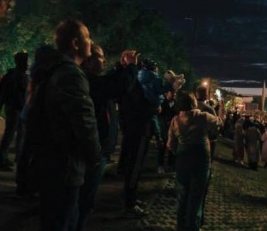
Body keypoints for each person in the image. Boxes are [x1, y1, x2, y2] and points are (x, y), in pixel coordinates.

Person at [23, 19, 101, 230]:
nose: (91, 42)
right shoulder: (71, 75)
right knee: (63, 220)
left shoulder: (52, 69)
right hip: (65, 166)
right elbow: (84, 122)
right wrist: (95, 156)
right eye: (87, 37)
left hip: (49, 162)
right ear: (76, 43)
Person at [77, 45, 138, 231]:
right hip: (94, 150)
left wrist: (120, 68)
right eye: (101, 57)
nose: (104, 61)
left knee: (83, 201)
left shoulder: (91, 80)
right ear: (89, 60)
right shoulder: (89, 81)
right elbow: (119, 87)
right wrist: (131, 67)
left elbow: (110, 82)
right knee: (83, 202)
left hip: (97, 148)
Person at [167, 92, 222, 231]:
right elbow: (218, 124)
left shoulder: (175, 120)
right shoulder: (203, 117)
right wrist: (221, 111)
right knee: (196, 196)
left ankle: (180, 226)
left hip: (182, 158)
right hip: (200, 158)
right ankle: (192, 226)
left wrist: (178, 152)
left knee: (182, 195)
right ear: (193, 103)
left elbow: (170, 144)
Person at [120, 57, 163, 217]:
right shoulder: (137, 87)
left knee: (135, 166)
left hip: (137, 129)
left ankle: (132, 198)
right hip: (138, 130)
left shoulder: (137, 85)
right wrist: (154, 108)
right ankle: (129, 204)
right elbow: (142, 109)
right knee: (134, 166)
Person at [0, 51, 29, 171]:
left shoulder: (12, 74)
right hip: (16, 108)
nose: (28, 64)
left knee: (15, 133)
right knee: (12, 134)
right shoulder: (19, 76)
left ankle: (6, 158)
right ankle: (2, 160)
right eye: (27, 61)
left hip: (13, 107)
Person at [157, 88, 176, 173]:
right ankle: (160, 165)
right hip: (164, 127)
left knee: (172, 147)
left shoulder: (175, 103)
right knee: (162, 147)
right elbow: (160, 114)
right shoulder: (162, 103)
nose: (173, 95)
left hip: (172, 128)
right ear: (167, 93)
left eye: (174, 93)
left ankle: (170, 165)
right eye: (171, 93)